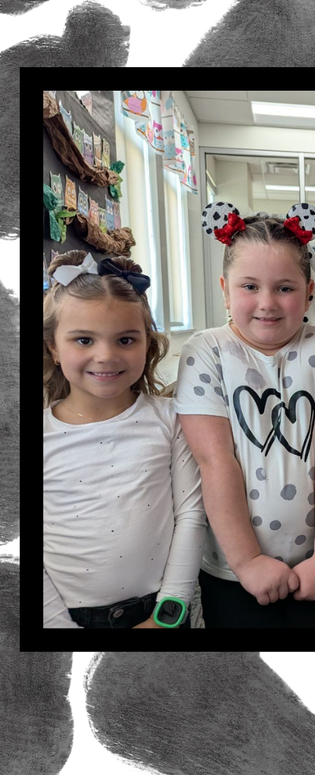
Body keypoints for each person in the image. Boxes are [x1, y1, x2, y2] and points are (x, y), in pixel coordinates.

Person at [175, 202, 315, 628]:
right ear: (225, 289)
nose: (267, 303)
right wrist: (248, 561)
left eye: (284, 287)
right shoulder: (206, 351)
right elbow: (214, 460)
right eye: (249, 287)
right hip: (232, 569)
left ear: (310, 289)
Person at [43, 251, 205, 628]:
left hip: (160, 612)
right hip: (67, 619)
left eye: (125, 340)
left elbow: (192, 515)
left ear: (147, 343)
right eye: (83, 340)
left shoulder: (170, 420)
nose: (105, 356)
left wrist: (168, 613)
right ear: (53, 346)